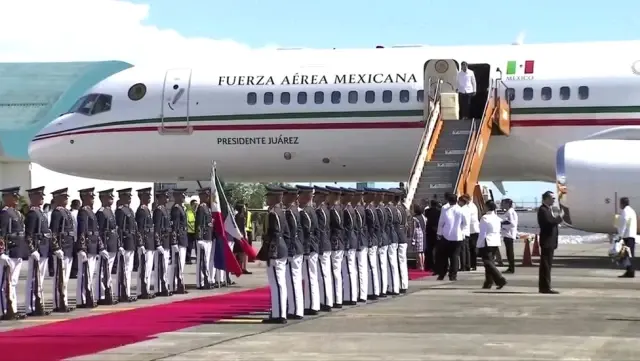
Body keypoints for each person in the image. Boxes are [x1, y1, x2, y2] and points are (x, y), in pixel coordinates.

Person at [75, 187, 107, 308]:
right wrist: (82, 248)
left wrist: (101, 247)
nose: (93, 198)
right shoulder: (83, 211)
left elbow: (96, 231)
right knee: (84, 274)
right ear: (84, 197)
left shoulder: (90, 211)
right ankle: (82, 299)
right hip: (87, 246)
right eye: (90, 196)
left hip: (93, 246)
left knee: (89, 274)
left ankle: (88, 296)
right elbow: (82, 231)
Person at [261, 185, 289, 324]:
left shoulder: (274, 213)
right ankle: (278, 311)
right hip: (280, 249)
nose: (267, 199)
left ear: (275, 197)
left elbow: (275, 234)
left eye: (269, 196)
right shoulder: (280, 211)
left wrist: (271, 252)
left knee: (277, 283)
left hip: (276, 251)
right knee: (279, 283)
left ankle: (279, 314)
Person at [24, 186, 52, 316]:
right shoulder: (32, 213)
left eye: (42, 196)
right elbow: (28, 234)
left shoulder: (40, 213)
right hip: (37, 249)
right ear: (32, 197)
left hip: (43, 248)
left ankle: (38, 304)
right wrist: (32, 249)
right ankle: (31, 307)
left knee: (40, 279)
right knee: (34, 279)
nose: (42, 198)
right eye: (39, 196)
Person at [0, 186, 27, 319]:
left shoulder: (16, 213)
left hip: (17, 250)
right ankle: (5, 310)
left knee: (13, 282)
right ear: (6, 198)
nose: (16, 199)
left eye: (17, 196)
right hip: (9, 252)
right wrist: (1, 252)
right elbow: (1, 233)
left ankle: (13, 309)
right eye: (14, 196)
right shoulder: (5, 213)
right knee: (6, 282)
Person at [49, 187, 76, 312]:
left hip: (69, 247)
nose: (66, 199)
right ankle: (58, 303)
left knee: (65, 278)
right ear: (57, 198)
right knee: (59, 277)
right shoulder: (57, 212)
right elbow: (53, 232)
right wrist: (56, 247)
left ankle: (63, 301)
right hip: (62, 246)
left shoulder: (66, 211)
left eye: (66, 197)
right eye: (63, 197)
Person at [297, 185, 320, 315]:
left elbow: (306, 231)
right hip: (312, 246)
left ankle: (311, 305)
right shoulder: (309, 210)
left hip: (308, 247)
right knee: (311, 275)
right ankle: (312, 304)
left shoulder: (306, 211)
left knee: (309, 276)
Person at [282, 186, 304, 319]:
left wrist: (290, 250)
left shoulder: (290, 212)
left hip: (293, 249)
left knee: (292, 280)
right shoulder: (296, 211)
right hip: (298, 247)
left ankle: (295, 310)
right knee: (294, 279)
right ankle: (296, 308)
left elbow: (291, 233)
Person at [436, 193, 468, 281]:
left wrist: (439, 233)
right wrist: (462, 232)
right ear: (456, 200)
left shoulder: (445, 209)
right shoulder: (461, 210)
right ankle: (453, 275)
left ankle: (442, 274)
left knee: (443, 256)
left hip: (446, 235)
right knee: (455, 257)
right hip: (457, 236)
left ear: (448, 201)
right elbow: (465, 223)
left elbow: (441, 222)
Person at [95, 189, 118, 305]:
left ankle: (108, 293)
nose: (111, 199)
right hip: (106, 244)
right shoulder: (101, 212)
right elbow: (98, 231)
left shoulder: (110, 211)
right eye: (109, 197)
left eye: (112, 197)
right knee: (103, 272)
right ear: (102, 199)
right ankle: (101, 295)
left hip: (112, 244)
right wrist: (101, 247)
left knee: (108, 272)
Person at [537, 191, 563, 294]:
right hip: (547, 241)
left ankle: (544, 286)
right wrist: (560, 218)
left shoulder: (548, 209)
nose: (554, 200)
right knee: (546, 265)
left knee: (547, 265)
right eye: (552, 198)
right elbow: (549, 222)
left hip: (550, 241)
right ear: (546, 199)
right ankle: (545, 287)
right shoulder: (543, 210)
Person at [477, 200, 507, 289]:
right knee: (490, 262)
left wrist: (478, 245)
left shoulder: (485, 218)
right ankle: (488, 282)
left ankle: (500, 279)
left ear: (487, 207)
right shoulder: (497, 218)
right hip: (495, 241)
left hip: (487, 241)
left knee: (487, 262)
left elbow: (482, 233)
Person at [114, 188, 137, 303]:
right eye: (127, 196)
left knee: (129, 269)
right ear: (121, 197)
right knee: (123, 269)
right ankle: (121, 292)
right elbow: (119, 228)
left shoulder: (129, 210)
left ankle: (126, 292)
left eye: (129, 197)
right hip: (125, 241)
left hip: (131, 241)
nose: (129, 198)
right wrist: (120, 244)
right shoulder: (120, 211)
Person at [313, 186, 334, 311]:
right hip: (326, 244)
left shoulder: (320, 211)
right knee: (324, 274)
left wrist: (318, 246)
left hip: (322, 245)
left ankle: (326, 302)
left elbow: (320, 231)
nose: (314, 197)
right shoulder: (324, 209)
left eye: (316, 195)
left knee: (322, 275)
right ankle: (326, 300)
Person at [154, 188, 176, 295]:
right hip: (162, 240)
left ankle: (164, 286)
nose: (167, 199)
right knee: (160, 265)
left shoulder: (165, 209)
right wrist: (158, 243)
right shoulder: (158, 210)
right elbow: (157, 227)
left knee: (165, 265)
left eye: (168, 197)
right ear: (160, 198)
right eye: (165, 197)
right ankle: (159, 288)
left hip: (166, 240)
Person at [135, 188, 156, 299]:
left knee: (148, 268)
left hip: (150, 241)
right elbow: (140, 228)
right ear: (141, 197)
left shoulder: (147, 209)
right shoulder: (141, 210)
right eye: (147, 196)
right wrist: (141, 243)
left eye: (149, 196)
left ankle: (145, 289)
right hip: (145, 242)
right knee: (144, 268)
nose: (149, 198)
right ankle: (141, 290)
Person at [326, 186, 345, 308]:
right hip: (339, 243)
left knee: (334, 272)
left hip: (335, 243)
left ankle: (336, 299)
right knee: (336, 272)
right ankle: (337, 298)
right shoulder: (340, 209)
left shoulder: (334, 210)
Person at [340, 188, 358, 305]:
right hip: (352, 240)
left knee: (348, 270)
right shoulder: (351, 209)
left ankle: (350, 296)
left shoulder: (346, 210)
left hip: (348, 241)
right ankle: (351, 295)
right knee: (351, 269)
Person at [169, 189, 189, 293]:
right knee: (177, 263)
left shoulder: (181, 208)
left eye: (184, 195)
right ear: (176, 196)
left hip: (183, 238)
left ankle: (179, 284)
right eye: (182, 195)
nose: (184, 197)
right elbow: (175, 227)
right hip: (178, 239)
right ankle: (175, 286)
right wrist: (174, 241)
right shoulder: (176, 209)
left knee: (181, 263)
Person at [194, 188, 214, 289]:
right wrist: (200, 237)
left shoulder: (207, 207)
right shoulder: (201, 208)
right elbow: (199, 224)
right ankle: (200, 282)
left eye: (208, 195)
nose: (207, 197)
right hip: (203, 237)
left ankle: (206, 279)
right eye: (205, 195)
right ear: (201, 196)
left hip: (208, 237)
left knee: (206, 260)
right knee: (201, 261)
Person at [352, 188, 368, 302]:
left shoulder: (357, 210)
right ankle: (362, 293)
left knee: (359, 268)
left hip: (359, 240)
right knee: (361, 268)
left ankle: (361, 294)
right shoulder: (362, 208)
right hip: (362, 239)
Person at [364, 189, 380, 300]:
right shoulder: (372, 209)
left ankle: (373, 291)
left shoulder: (369, 210)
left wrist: (370, 240)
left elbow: (372, 228)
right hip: (374, 240)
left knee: (371, 267)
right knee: (374, 266)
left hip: (371, 240)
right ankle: (374, 290)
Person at [393, 189, 410, 293]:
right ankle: (404, 284)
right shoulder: (404, 208)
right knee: (402, 261)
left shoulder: (397, 209)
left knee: (399, 262)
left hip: (399, 237)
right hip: (403, 236)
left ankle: (401, 284)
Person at [384, 190, 400, 296]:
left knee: (391, 264)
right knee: (393, 263)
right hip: (394, 237)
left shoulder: (388, 209)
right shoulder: (396, 209)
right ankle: (395, 286)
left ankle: (394, 287)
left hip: (390, 237)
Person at [617, 197, 637, 278]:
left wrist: (620, 235)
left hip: (627, 236)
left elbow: (624, 223)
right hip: (631, 235)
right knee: (628, 255)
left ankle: (630, 272)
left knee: (626, 255)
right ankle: (629, 271)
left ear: (622, 203)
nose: (620, 205)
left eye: (620, 203)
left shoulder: (625, 211)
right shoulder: (631, 211)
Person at [375, 189, 389, 297]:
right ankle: (383, 289)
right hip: (384, 238)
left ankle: (382, 289)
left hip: (380, 239)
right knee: (383, 266)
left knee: (380, 266)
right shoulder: (384, 209)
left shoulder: (379, 210)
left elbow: (378, 227)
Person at [501, 198, 518, 274]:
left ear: (507, 204)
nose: (502, 205)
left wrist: (502, 225)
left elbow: (512, 223)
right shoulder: (509, 212)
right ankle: (511, 267)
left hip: (509, 234)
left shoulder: (510, 212)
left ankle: (511, 268)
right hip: (507, 234)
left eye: (503, 203)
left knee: (510, 252)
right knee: (509, 252)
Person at [424, 199, 441, 271]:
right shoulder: (439, 212)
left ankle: (429, 265)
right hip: (436, 230)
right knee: (437, 249)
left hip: (429, 231)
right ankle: (437, 265)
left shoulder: (427, 211)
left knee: (429, 249)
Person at [466, 195, 480, 271]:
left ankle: (473, 264)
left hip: (473, 230)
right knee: (470, 249)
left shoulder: (471, 206)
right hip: (470, 230)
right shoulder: (470, 205)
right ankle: (471, 264)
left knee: (472, 248)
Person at [412, 204, 426, 271]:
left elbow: (414, 228)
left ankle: (420, 266)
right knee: (422, 251)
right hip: (423, 233)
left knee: (418, 252)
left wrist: (413, 238)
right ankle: (422, 265)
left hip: (418, 234)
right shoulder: (423, 217)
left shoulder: (415, 218)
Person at [69, 199, 80, 279]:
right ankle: (74, 271)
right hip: (77, 236)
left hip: (72, 236)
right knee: (76, 255)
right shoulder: (78, 213)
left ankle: (72, 271)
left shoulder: (70, 213)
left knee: (73, 255)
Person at [186, 200, 197, 264]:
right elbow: (187, 222)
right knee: (189, 246)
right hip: (189, 231)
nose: (196, 206)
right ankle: (188, 259)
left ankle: (197, 258)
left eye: (196, 205)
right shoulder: (188, 212)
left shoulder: (196, 212)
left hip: (196, 232)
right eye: (194, 205)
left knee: (196, 246)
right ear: (191, 205)